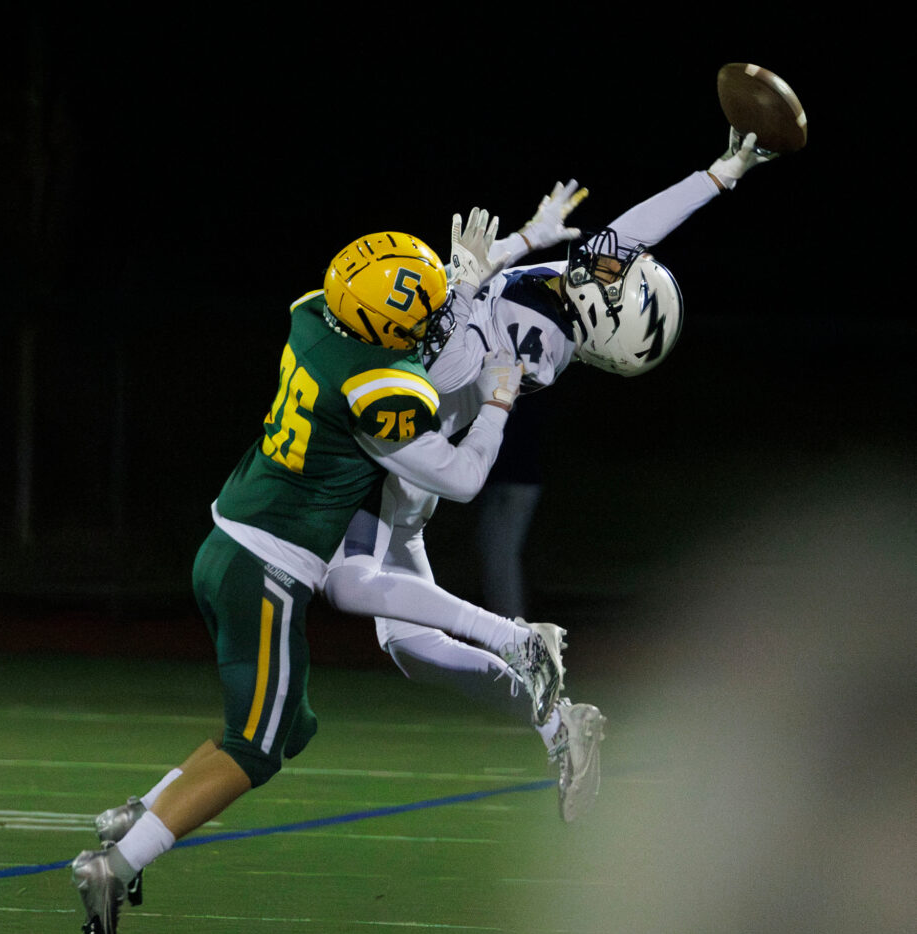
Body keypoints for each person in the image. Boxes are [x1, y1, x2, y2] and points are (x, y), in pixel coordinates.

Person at [69, 214, 585, 934]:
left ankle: (140, 815)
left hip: (226, 541)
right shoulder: (380, 391)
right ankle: (116, 865)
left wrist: (485, 263)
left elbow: (407, 320)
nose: (439, 304)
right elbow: (466, 478)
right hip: (270, 570)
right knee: (257, 747)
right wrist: (499, 401)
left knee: (286, 725)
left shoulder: (314, 316)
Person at [321, 130, 778, 813]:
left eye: (618, 279)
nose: (612, 261)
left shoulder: (544, 343)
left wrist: (467, 284)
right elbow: (632, 230)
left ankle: (519, 636)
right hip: (405, 467)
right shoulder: (571, 296)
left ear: (603, 313)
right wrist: (724, 172)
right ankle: (558, 723)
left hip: (397, 454)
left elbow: (445, 367)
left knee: (340, 582)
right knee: (408, 645)